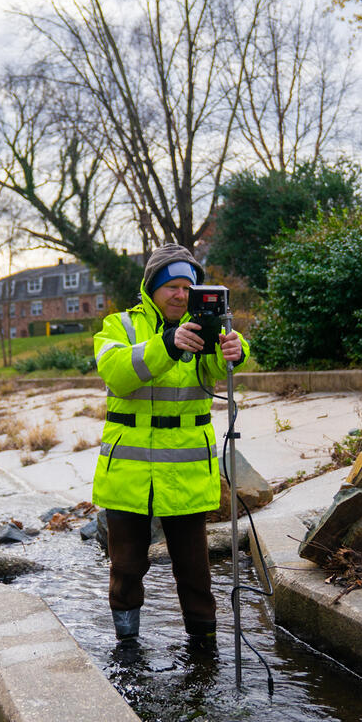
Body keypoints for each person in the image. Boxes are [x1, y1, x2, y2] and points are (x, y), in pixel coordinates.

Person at [92, 243, 248, 647]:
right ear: (152, 288)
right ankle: (127, 648)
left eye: (188, 287)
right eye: (172, 286)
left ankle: (204, 649)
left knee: (195, 571)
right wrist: (168, 344)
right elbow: (117, 374)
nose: (180, 295)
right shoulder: (118, 326)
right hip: (129, 474)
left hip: (186, 472)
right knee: (126, 567)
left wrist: (234, 351)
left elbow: (215, 373)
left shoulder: (207, 325)